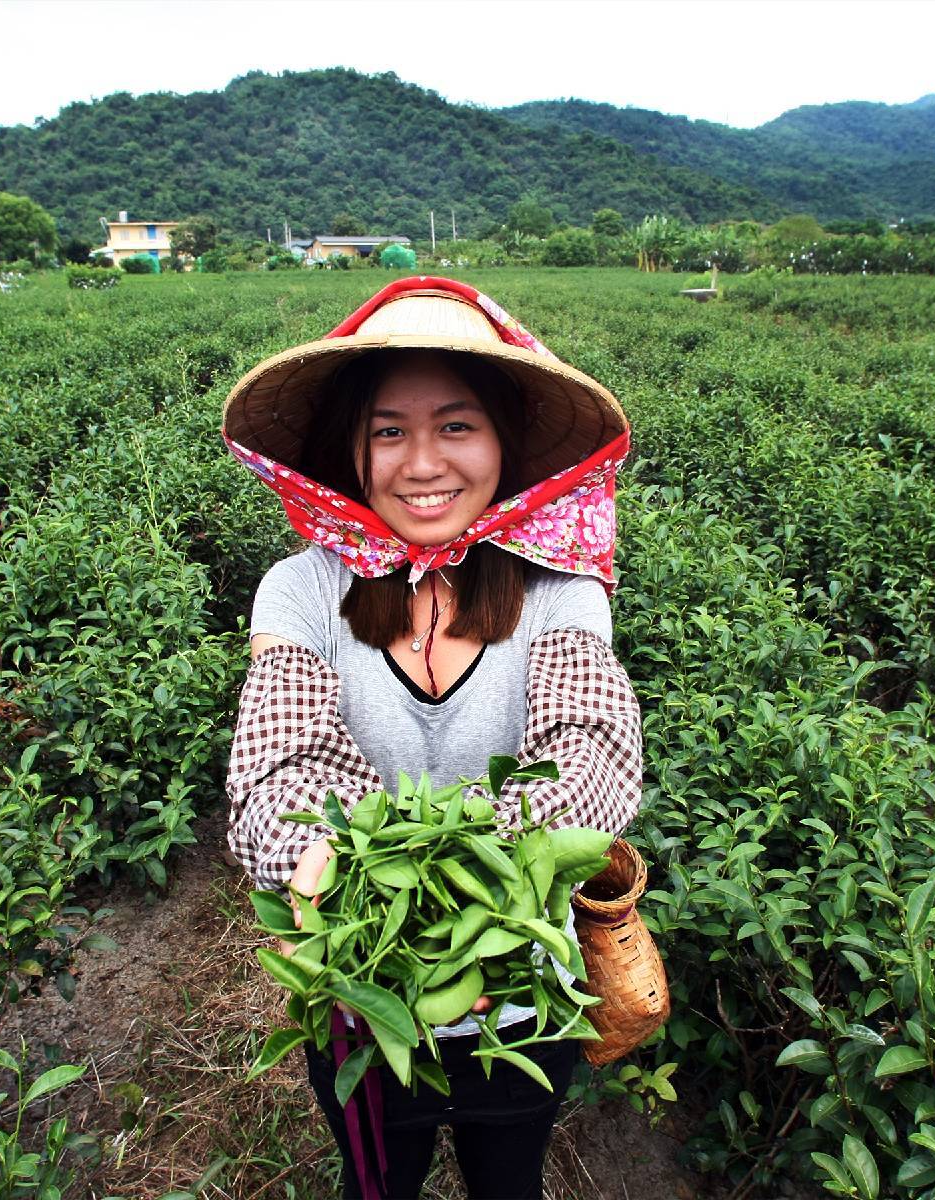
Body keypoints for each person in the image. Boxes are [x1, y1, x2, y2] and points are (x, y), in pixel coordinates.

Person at [222, 277, 642, 1200]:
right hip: (363, 992)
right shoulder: (300, 591)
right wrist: (344, 873)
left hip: (524, 998)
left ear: (503, 443)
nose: (422, 463)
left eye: (456, 425)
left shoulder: (560, 591)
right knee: (377, 1179)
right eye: (388, 430)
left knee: (508, 1180)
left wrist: (460, 894)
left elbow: (591, 755)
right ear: (355, 450)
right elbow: (278, 775)